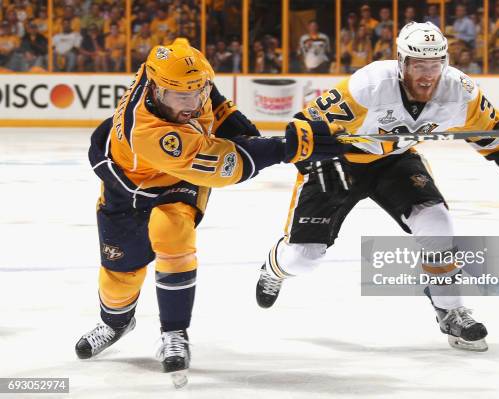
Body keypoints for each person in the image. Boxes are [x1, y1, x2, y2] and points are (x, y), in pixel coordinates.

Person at [254, 22, 499, 352]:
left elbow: (498, 138)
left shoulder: (460, 91)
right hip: (338, 163)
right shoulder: (368, 86)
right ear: (402, 63)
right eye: (418, 65)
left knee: (437, 224)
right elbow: (303, 126)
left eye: (434, 65)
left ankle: (450, 309)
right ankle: (275, 266)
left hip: (393, 160)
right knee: (304, 258)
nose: (427, 75)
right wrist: (313, 162)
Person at [74, 38, 347, 385]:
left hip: (178, 183)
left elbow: (204, 87)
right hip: (130, 189)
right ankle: (116, 322)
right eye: (181, 96)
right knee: (119, 275)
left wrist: (231, 119)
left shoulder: (167, 69)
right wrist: (288, 147)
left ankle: (175, 333)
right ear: (157, 92)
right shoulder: (147, 132)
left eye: (196, 92)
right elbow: (226, 164)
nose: (192, 103)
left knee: (172, 233)